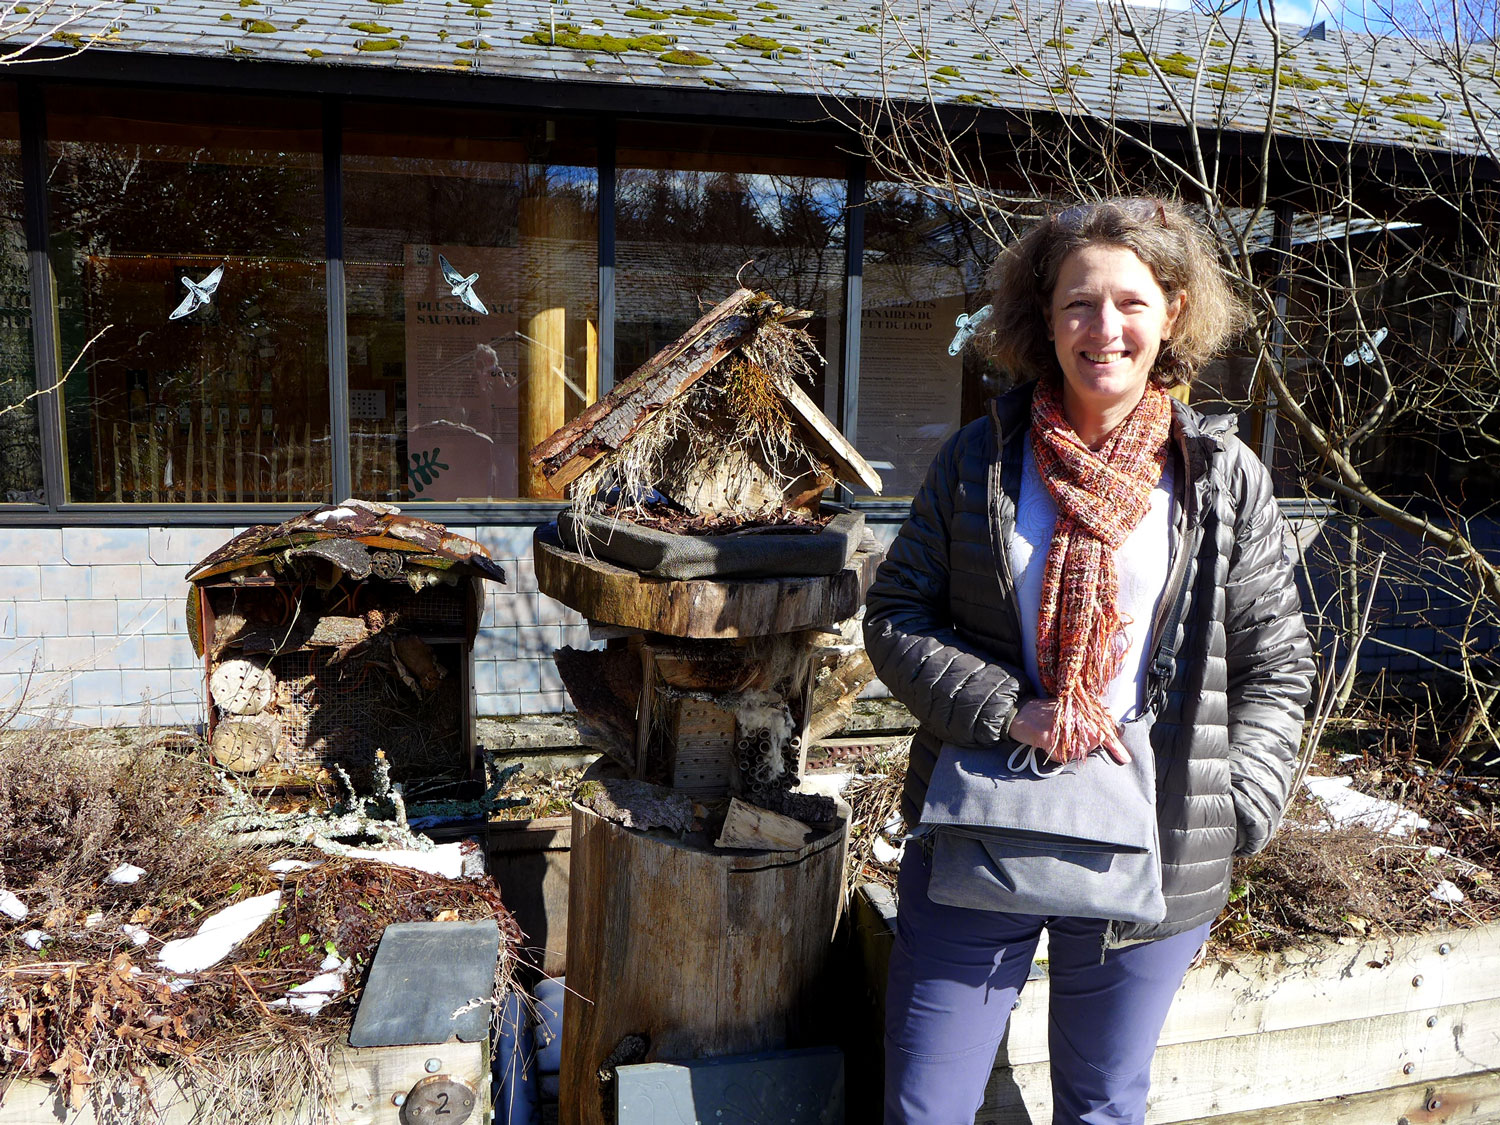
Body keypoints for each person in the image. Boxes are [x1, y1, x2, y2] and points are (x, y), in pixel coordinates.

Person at [863, 196, 1315, 1125]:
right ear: (1043, 315)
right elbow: (896, 612)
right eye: (1078, 303)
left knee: (1103, 1105)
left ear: (1173, 314)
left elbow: (1276, 659)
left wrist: (1237, 809)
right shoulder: (979, 463)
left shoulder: (1222, 477)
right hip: (984, 821)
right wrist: (1004, 708)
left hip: (1154, 837)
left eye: (1129, 302)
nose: (1102, 329)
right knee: (925, 1101)